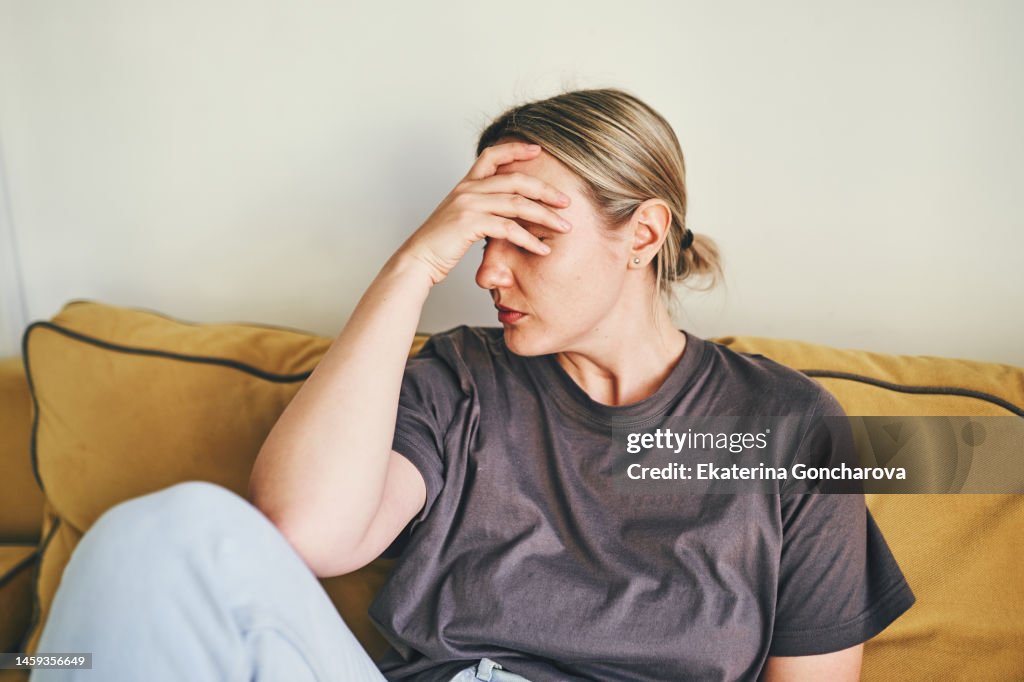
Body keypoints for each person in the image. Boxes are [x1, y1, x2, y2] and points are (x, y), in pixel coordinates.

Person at [32, 88, 915, 682]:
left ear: (642, 233)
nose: (489, 272)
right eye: (482, 235)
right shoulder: (458, 380)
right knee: (170, 529)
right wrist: (414, 263)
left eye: (528, 234)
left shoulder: (789, 426)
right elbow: (304, 532)